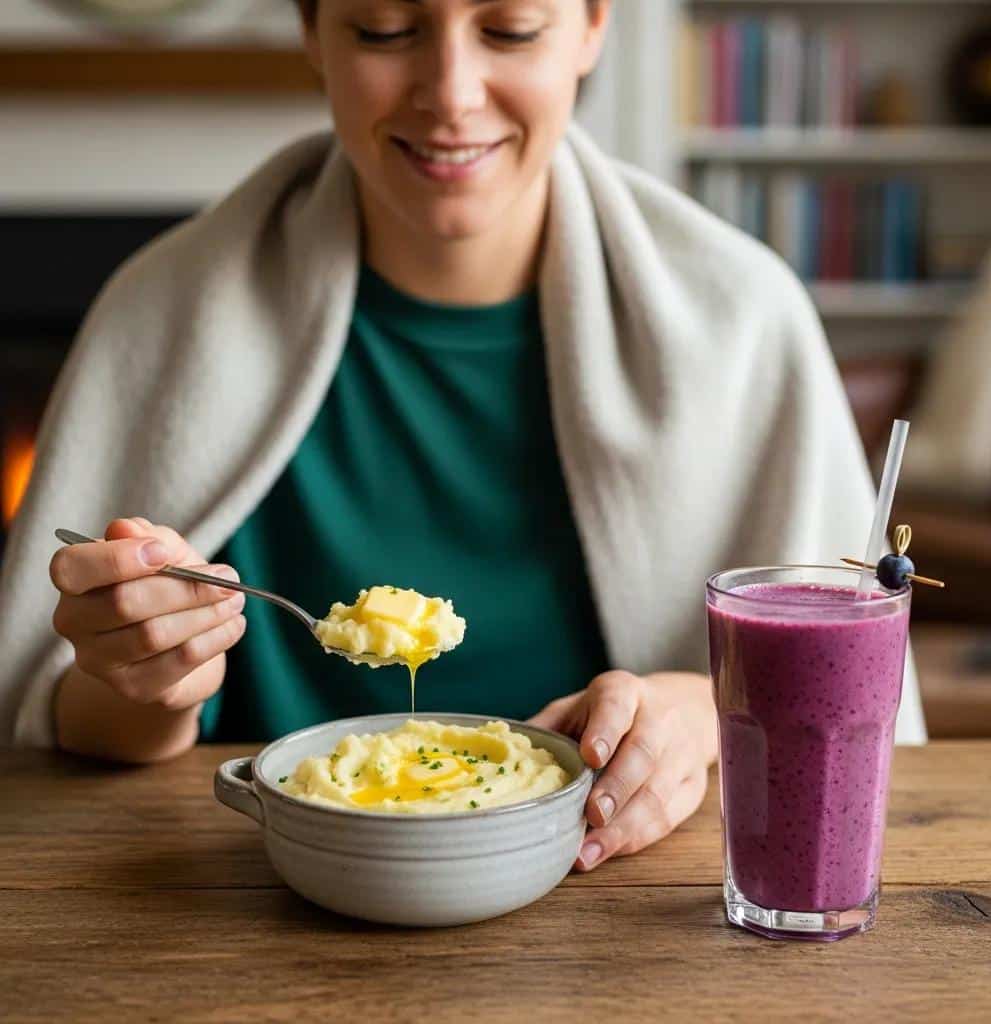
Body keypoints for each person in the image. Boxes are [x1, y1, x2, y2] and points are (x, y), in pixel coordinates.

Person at [0, 0, 926, 873]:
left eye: (512, 30)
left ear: (593, 25)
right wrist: (144, 681)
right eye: (385, 27)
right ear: (312, 32)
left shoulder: (744, 320)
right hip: (239, 905)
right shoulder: (158, 313)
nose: (450, 93)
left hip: (626, 915)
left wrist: (701, 707)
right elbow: (60, 727)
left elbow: (845, 710)